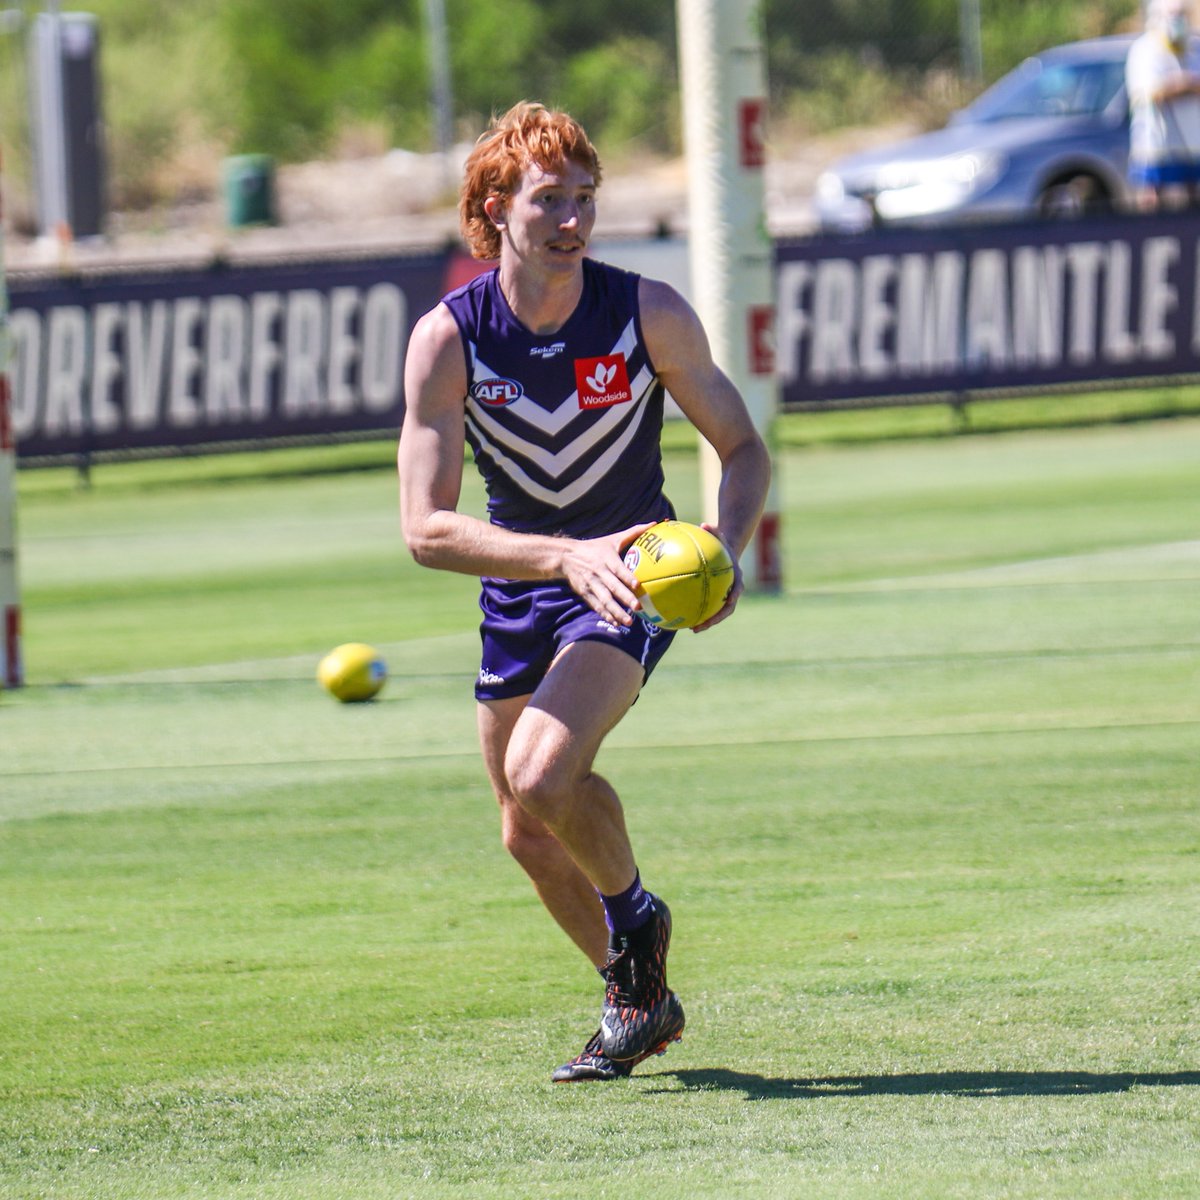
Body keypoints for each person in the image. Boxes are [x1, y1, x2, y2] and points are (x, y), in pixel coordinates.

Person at [397, 102, 771, 1082]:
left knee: (542, 774)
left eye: (585, 199)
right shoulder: (449, 340)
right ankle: (640, 1000)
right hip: (526, 586)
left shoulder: (646, 310)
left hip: (633, 580)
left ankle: (638, 927)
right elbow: (425, 530)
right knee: (525, 827)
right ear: (493, 208)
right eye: (549, 200)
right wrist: (558, 556)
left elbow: (741, 447)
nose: (573, 219)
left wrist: (721, 548)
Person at [1126, 0, 1200, 211]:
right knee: (1154, 205)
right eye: (1173, 15)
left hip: (1193, 146)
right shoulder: (1144, 50)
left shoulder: (1194, 48)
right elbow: (1149, 93)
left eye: (1182, 15)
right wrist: (1185, 85)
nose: (1179, 21)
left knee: (1192, 204)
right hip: (1156, 148)